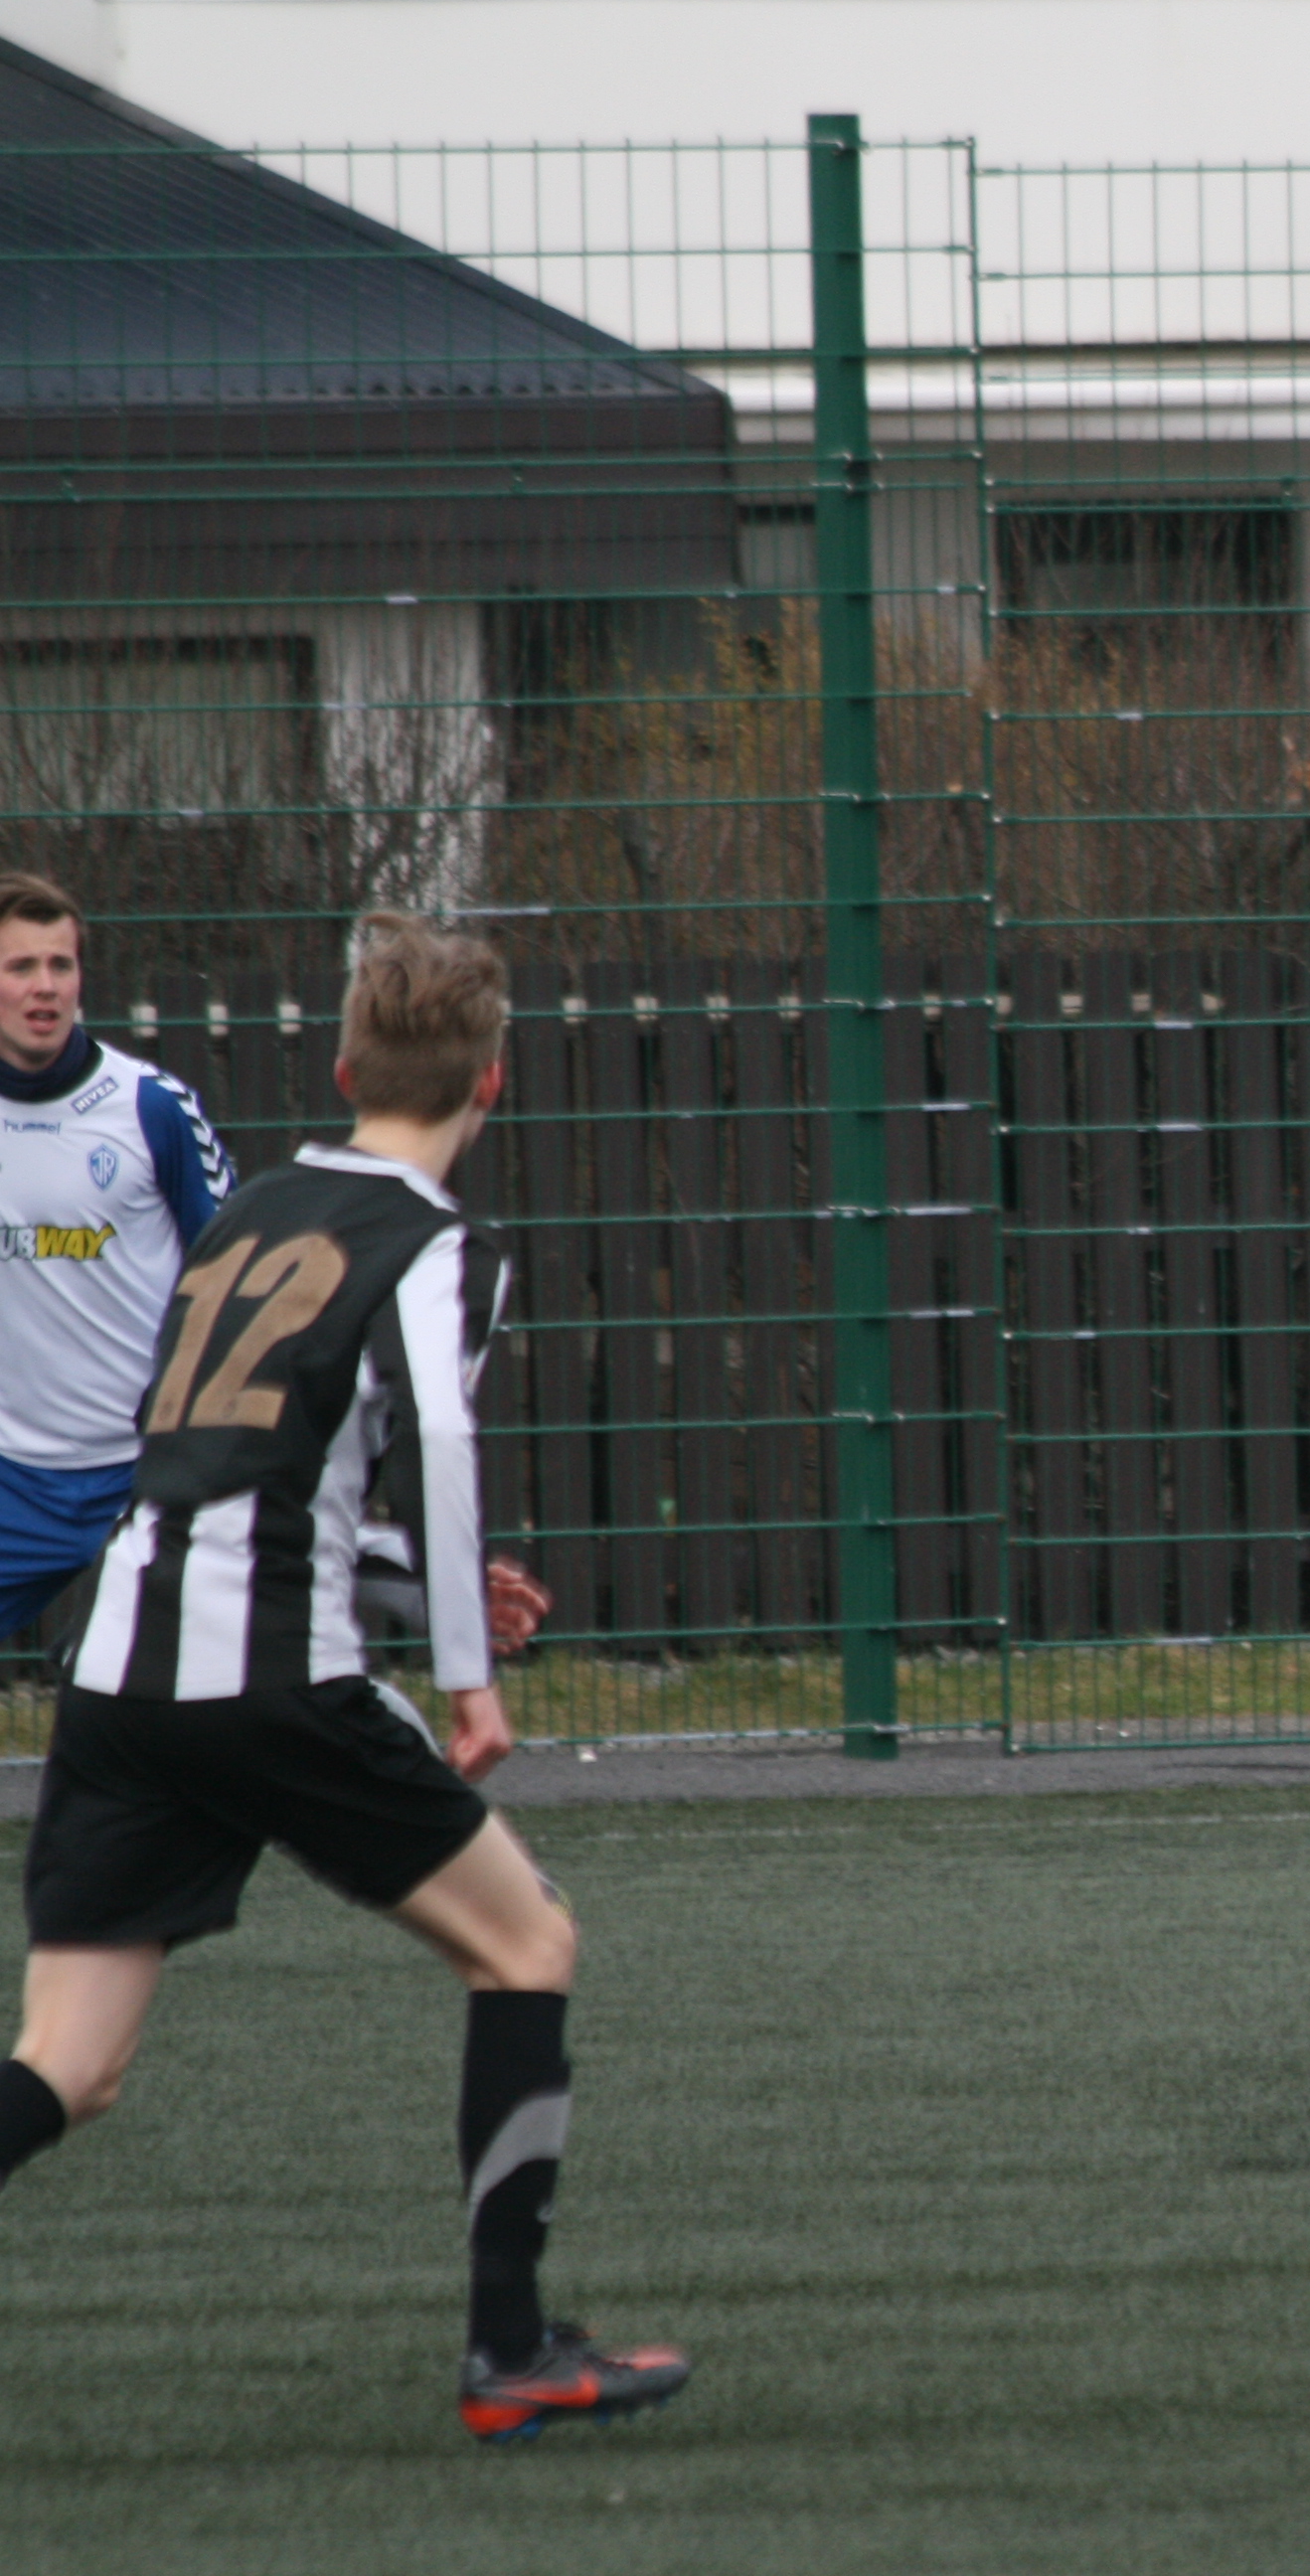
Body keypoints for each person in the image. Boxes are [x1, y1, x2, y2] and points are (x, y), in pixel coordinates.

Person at [0, 914, 689, 2444]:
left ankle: (515, 2351)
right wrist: (468, 1676)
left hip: (118, 1676)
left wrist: (416, 1580)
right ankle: (511, 2355)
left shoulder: (249, 1214)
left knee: (69, 2066)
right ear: (492, 1084)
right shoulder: (439, 1245)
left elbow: (233, 1470)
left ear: (340, 1069)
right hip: (269, 1678)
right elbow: (435, 1443)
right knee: (527, 1946)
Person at [0, 874, 236, 1648]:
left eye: (60, 965)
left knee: (223, 1676)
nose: (44, 987)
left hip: (153, 1472)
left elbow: (237, 1274)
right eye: (20, 967)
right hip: (17, 1479)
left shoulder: (151, 1107)